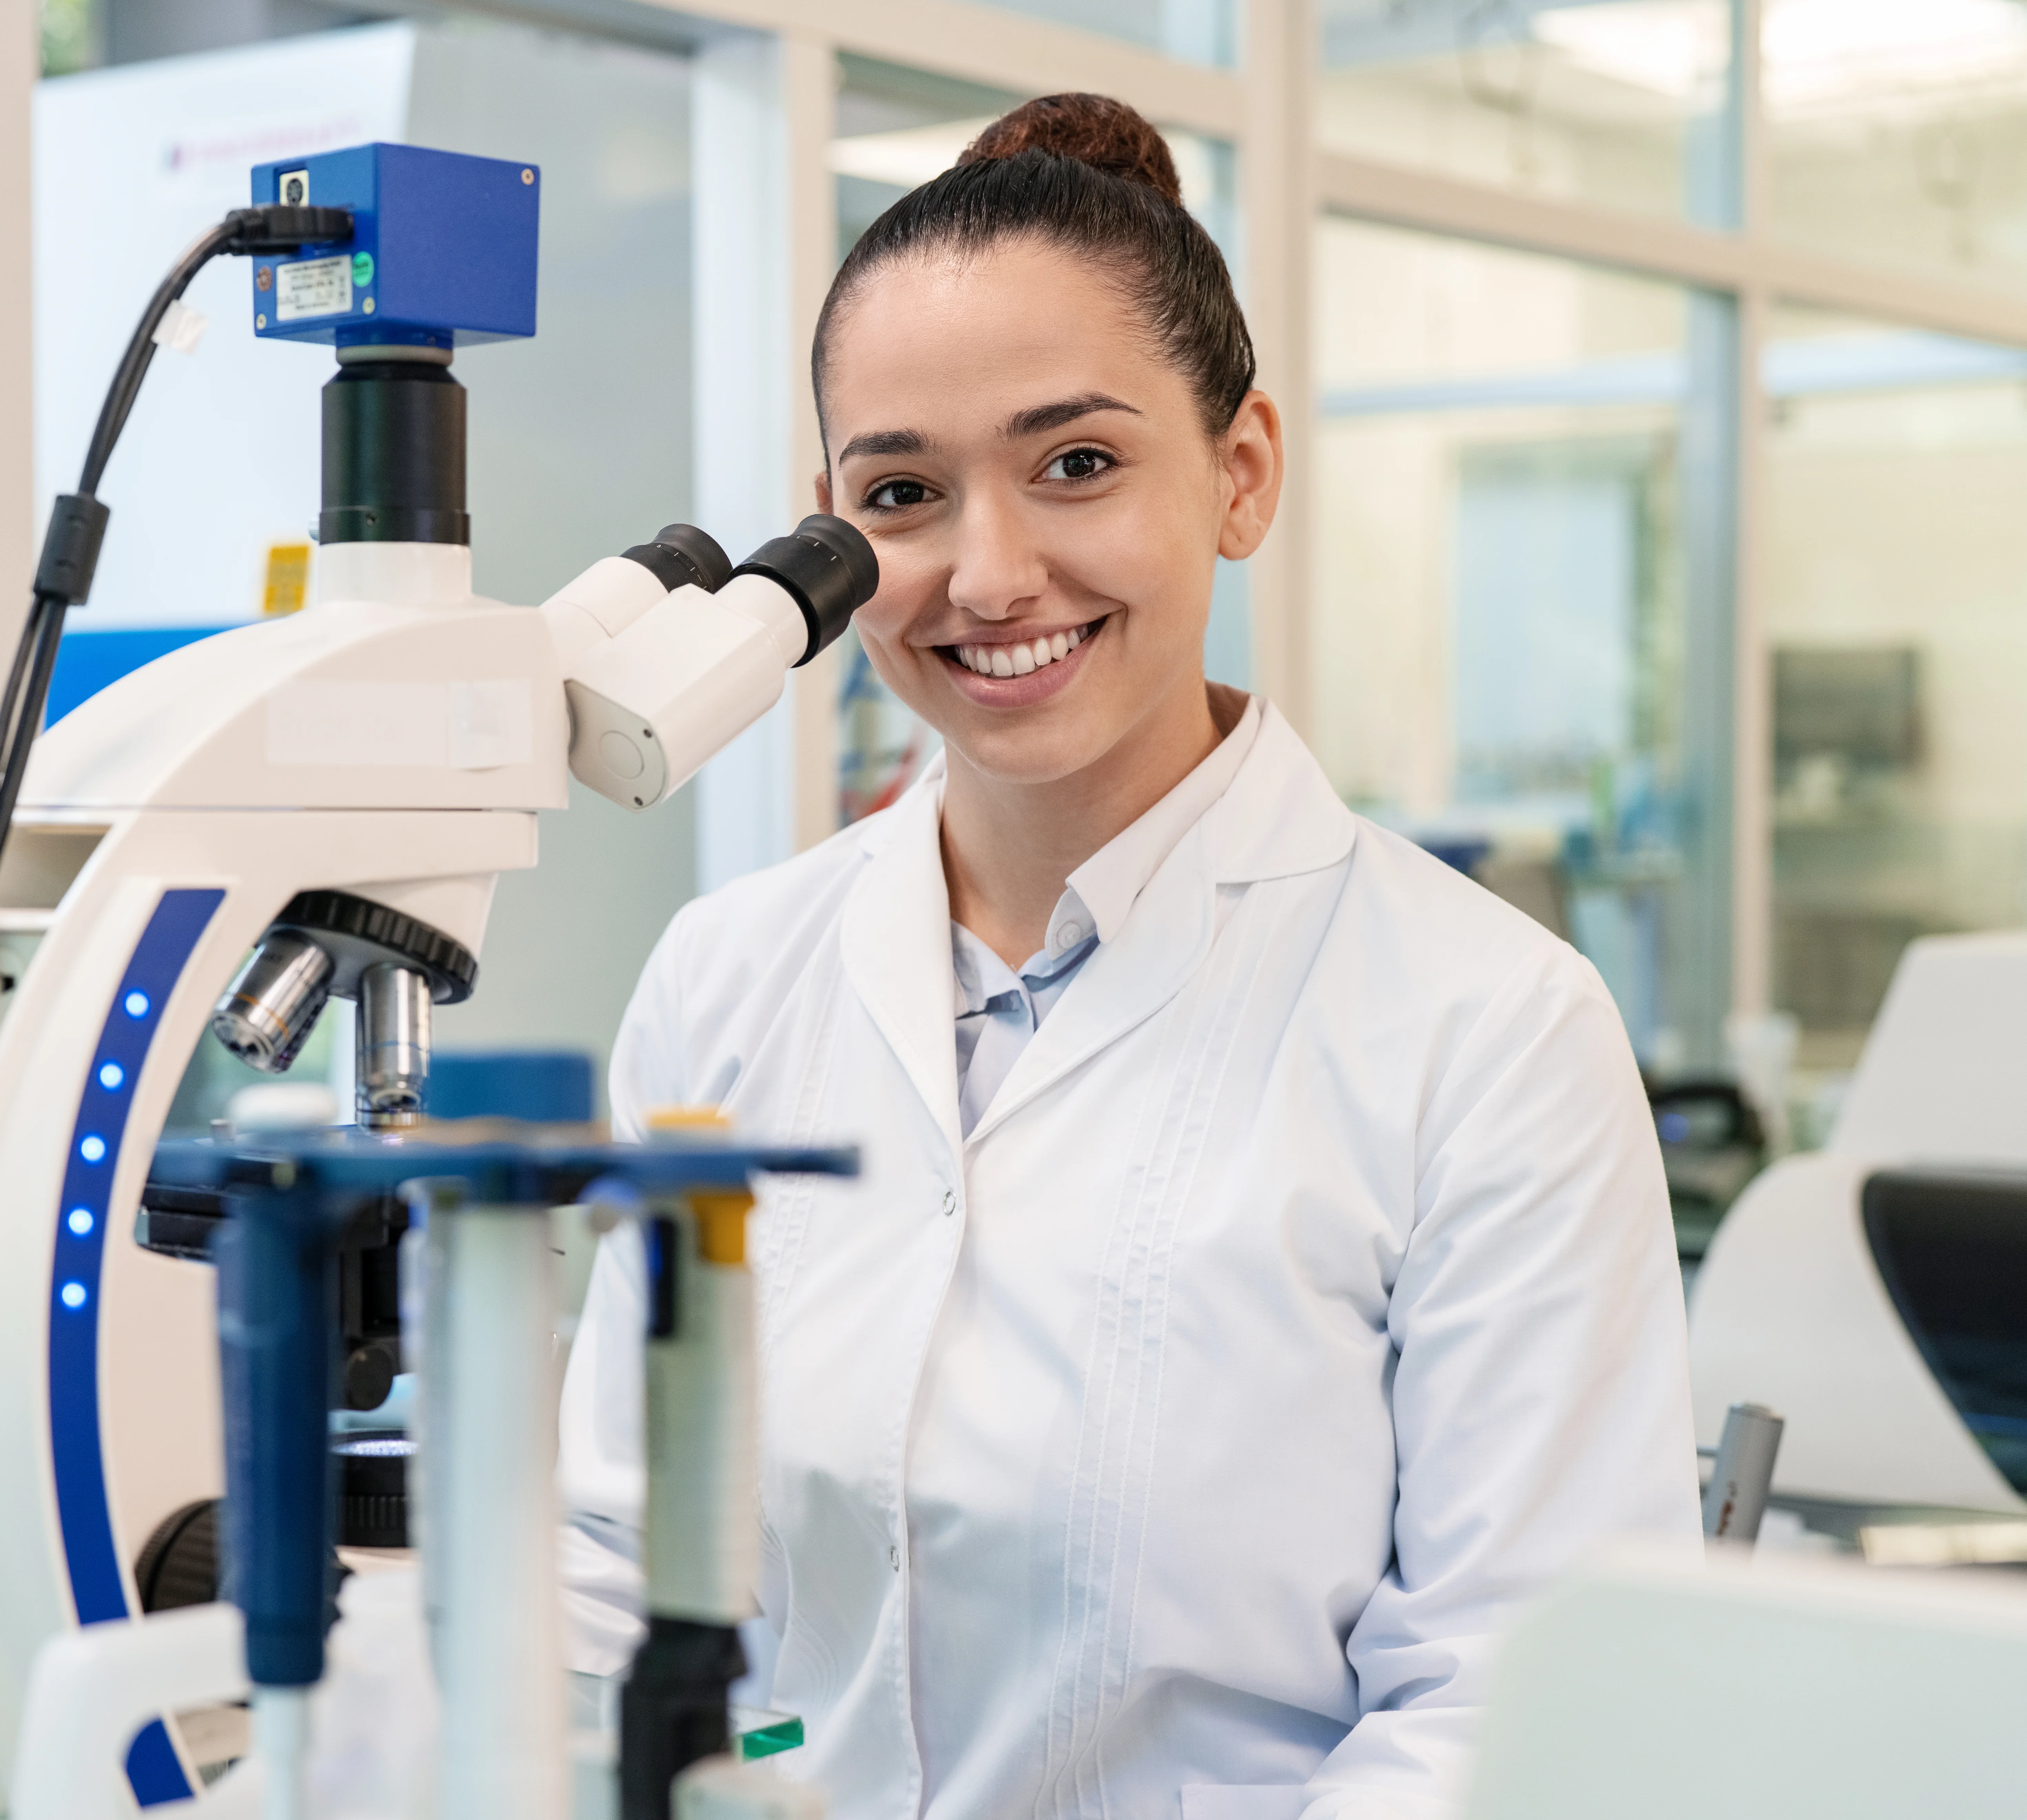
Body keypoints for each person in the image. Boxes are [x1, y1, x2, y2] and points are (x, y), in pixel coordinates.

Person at [557, 92, 1699, 1820]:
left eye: (1076, 465)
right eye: (903, 494)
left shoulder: (1487, 1027)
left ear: (1239, 474)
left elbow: (1517, 1703)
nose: (988, 575)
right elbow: (614, 1561)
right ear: (830, 533)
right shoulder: (725, 979)